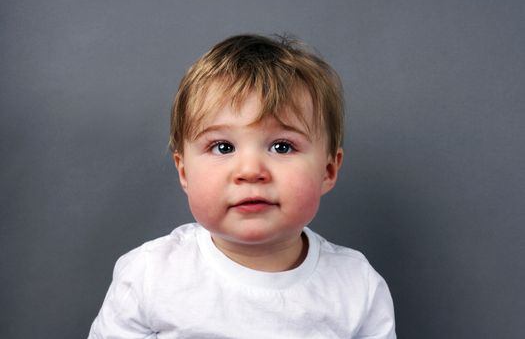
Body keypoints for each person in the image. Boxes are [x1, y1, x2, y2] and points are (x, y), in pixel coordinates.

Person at [88, 34, 396, 338]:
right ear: (184, 172)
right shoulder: (149, 276)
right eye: (223, 147)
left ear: (327, 171)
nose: (250, 171)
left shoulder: (357, 288)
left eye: (282, 147)